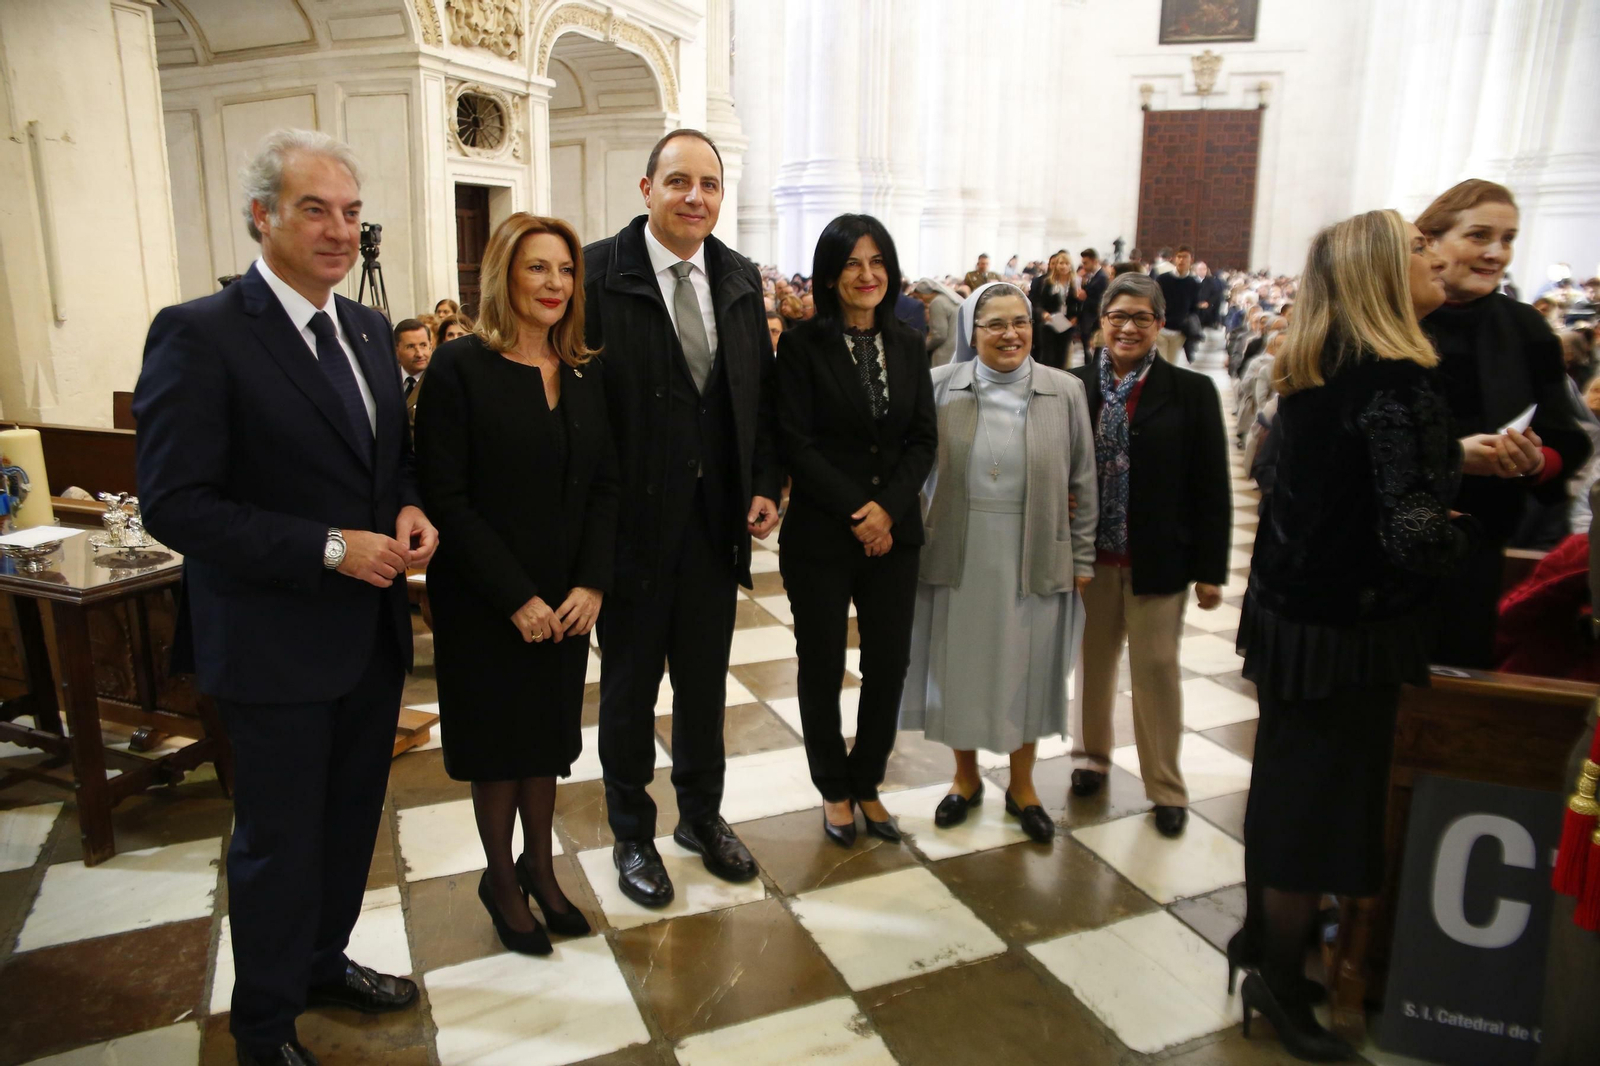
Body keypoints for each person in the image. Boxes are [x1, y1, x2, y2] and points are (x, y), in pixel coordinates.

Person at [132, 129, 439, 1066]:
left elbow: (385, 458)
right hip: (272, 643)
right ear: (261, 216)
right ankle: (262, 1027)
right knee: (278, 844)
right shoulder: (202, 332)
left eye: (351, 212)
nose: (340, 230)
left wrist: (409, 502)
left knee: (349, 826)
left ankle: (320, 963)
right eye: (315, 209)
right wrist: (331, 547)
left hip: (368, 638)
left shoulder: (363, 330)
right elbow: (176, 504)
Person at [1232, 210, 1472, 1062]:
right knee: (1323, 813)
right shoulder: (1399, 383)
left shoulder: (1317, 371)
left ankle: (1263, 944)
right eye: (1416, 248)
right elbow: (1413, 533)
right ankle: (1283, 980)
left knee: (1288, 794)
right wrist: (1462, 538)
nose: (1435, 255)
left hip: (1292, 621)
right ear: (1379, 273)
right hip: (1351, 629)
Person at [584, 129, 782, 908]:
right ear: (646, 189)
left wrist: (765, 480)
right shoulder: (598, 273)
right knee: (630, 693)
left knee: (704, 689)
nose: (694, 197)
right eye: (678, 182)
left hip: (712, 526)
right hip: (631, 531)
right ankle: (632, 833)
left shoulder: (736, 276)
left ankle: (701, 816)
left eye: (708, 183)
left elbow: (757, 395)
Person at [415, 214, 617, 955]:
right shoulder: (459, 368)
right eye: (538, 269)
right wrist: (514, 598)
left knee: (546, 743)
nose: (555, 284)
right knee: (499, 748)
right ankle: (500, 877)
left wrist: (592, 585)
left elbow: (606, 487)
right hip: (486, 599)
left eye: (565, 270)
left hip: (566, 601)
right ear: (505, 274)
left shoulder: (585, 369)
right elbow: (448, 496)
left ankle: (540, 863)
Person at [902, 282, 1099, 845]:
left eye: (1021, 322)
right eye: (996, 325)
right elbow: (912, 471)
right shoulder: (940, 386)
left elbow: (1083, 480)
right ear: (972, 331)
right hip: (960, 549)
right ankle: (964, 780)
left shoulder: (1063, 390)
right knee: (958, 667)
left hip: (1035, 549)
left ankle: (1023, 785)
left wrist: (1081, 557)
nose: (1011, 334)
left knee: (1029, 670)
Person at [775, 214, 936, 846]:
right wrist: (857, 511)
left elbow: (923, 438)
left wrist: (888, 511)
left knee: (888, 665)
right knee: (821, 665)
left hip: (894, 536)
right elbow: (797, 441)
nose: (866, 275)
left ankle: (867, 779)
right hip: (821, 532)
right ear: (830, 274)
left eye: (877, 262)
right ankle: (833, 788)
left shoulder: (908, 343)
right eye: (851, 264)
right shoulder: (801, 344)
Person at [1068, 272, 1230, 838]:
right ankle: (1090, 755)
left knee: (1156, 667)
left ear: (1160, 326)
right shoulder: (1074, 385)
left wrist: (1211, 570)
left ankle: (1165, 785)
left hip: (1158, 558)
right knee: (1093, 662)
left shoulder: (1191, 392)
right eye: (1118, 317)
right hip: (1089, 558)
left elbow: (1212, 485)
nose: (1128, 327)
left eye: (1141, 318)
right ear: (1101, 324)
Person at [1416, 179, 1590, 667]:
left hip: (1477, 548)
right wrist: (1452, 458)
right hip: (1380, 548)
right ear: (1430, 240)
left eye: (1508, 238)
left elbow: (1567, 439)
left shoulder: (1524, 326)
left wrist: (1534, 461)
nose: (1496, 252)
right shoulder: (1386, 320)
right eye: (1478, 236)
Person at [1029, 251, 1079, 370]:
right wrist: (1043, 313)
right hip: (1049, 322)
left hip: (1066, 324)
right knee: (1048, 357)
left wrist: (1076, 317)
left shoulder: (1074, 284)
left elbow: (1077, 304)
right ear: (1056, 265)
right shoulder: (1048, 282)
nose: (1063, 266)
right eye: (1061, 263)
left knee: (1062, 357)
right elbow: (1039, 303)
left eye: (1066, 263)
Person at [1155, 246, 1201, 363]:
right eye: (1179, 257)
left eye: (1185, 257)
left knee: (1172, 365)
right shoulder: (1163, 279)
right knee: (1161, 364)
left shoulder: (1193, 283)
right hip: (1161, 329)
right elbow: (1154, 301)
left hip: (1179, 331)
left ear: (1191, 260)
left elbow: (1194, 307)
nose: (1181, 260)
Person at [914, 278, 962, 367]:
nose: (921, 300)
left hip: (945, 355)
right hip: (957, 351)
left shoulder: (937, 302)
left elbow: (939, 335)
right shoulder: (950, 299)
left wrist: (922, 346)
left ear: (927, 293)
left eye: (920, 296)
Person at [393, 318, 431, 428]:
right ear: (396, 350)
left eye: (423, 345)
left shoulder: (441, 381)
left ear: (431, 346)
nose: (419, 354)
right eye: (410, 346)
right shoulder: (386, 382)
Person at [1077, 249, 1108, 364]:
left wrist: (1086, 298)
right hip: (1087, 320)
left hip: (1094, 321)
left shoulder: (1102, 278)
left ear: (1094, 261)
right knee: (1087, 355)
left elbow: (1102, 303)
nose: (1083, 266)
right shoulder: (1092, 276)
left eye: (1085, 263)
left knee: (1094, 356)